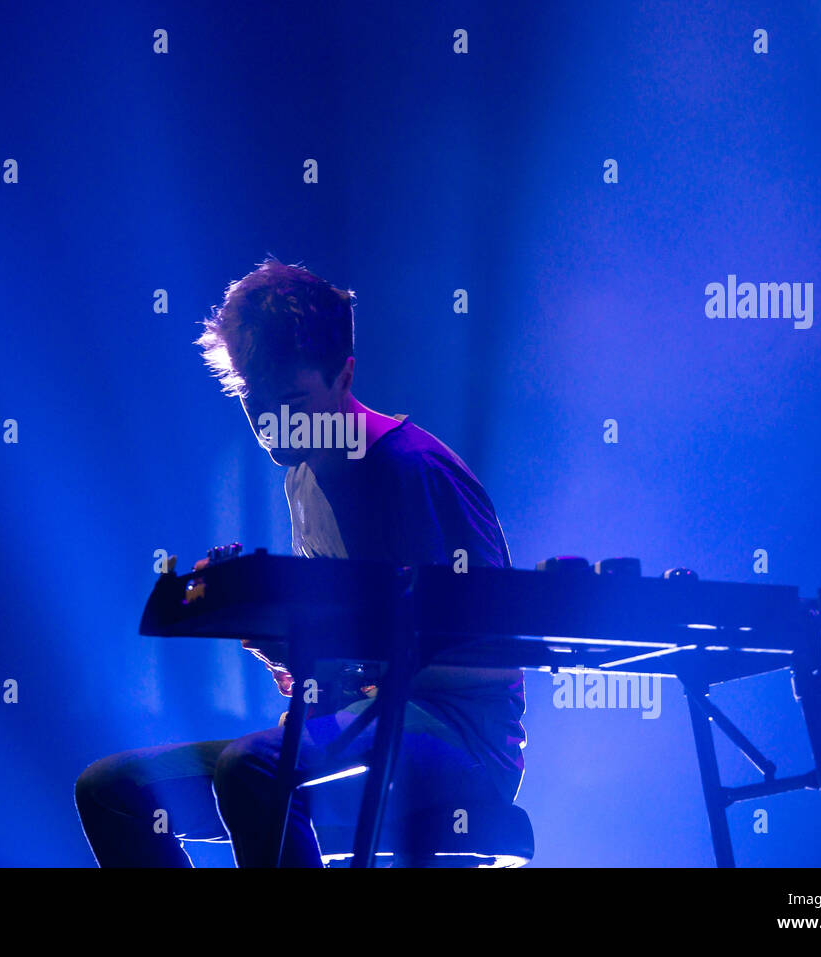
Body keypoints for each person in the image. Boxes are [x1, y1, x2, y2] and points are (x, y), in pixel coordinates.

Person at [74, 256, 525, 866]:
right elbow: (339, 662)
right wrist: (269, 630)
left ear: (343, 376)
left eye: (288, 398)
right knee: (113, 790)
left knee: (253, 768)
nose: (269, 423)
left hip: (458, 740)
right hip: (367, 728)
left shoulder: (409, 469)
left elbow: (491, 656)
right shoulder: (303, 479)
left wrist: (342, 659)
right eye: (251, 399)